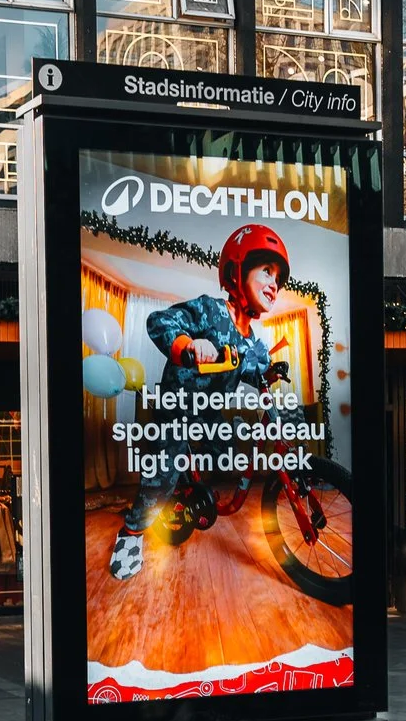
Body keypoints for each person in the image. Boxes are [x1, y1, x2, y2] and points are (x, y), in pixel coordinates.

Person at [111, 224, 292, 579]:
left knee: (230, 445)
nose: (274, 283)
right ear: (237, 272)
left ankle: (189, 484)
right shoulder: (210, 310)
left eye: (278, 278)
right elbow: (159, 321)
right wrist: (189, 344)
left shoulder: (250, 338)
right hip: (178, 407)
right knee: (163, 473)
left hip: (207, 413)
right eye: (266, 271)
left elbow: (248, 370)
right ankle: (131, 532)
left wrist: (267, 372)